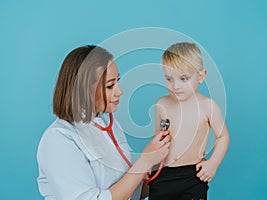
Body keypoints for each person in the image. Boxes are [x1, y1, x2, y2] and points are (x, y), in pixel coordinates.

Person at [36, 45, 171, 200]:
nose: (119, 91)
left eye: (117, 82)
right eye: (110, 85)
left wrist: (169, 162)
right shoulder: (59, 139)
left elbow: (129, 191)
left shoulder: (109, 124)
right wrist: (145, 160)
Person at [148, 42, 230, 200]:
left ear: (201, 76)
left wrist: (213, 163)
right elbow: (157, 138)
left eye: (183, 78)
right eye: (169, 79)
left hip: (192, 176)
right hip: (162, 174)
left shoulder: (208, 106)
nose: (175, 86)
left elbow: (223, 137)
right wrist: (149, 163)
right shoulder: (161, 104)